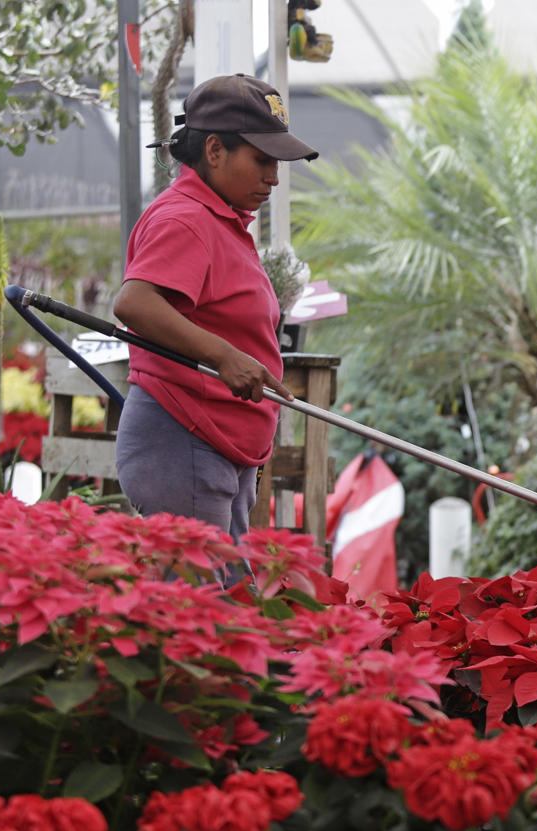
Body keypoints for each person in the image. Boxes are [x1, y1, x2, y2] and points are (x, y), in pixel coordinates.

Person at [112, 74, 318, 542]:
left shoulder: (218, 217)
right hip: (184, 437)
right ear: (214, 151)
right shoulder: (185, 218)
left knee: (227, 600)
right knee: (202, 607)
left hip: (217, 442)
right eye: (262, 160)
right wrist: (224, 356)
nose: (273, 176)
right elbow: (136, 302)